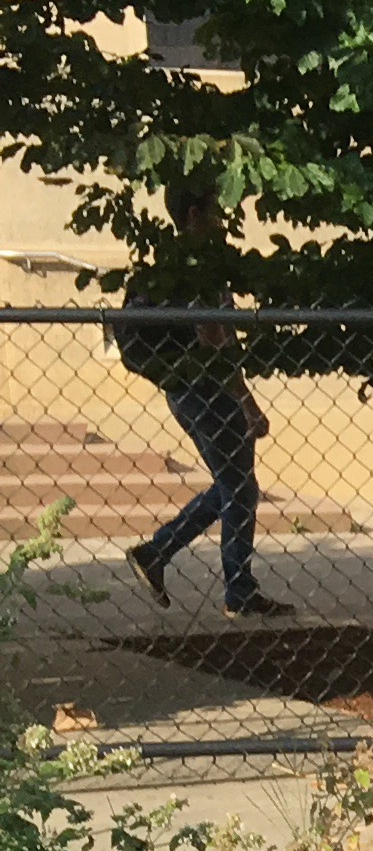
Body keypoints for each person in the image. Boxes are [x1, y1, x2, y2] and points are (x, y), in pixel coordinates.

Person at [120, 193, 291, 618]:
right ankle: (180, 563)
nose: (223, 219)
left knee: (236, 486)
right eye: (216, 210)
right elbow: (215, 338)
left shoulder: (168, 266)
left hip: (181, 389)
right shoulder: (201, 269)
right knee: (239, 487)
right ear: (196, 213)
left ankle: (222, 580)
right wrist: (245, 399)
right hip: (208, 389)